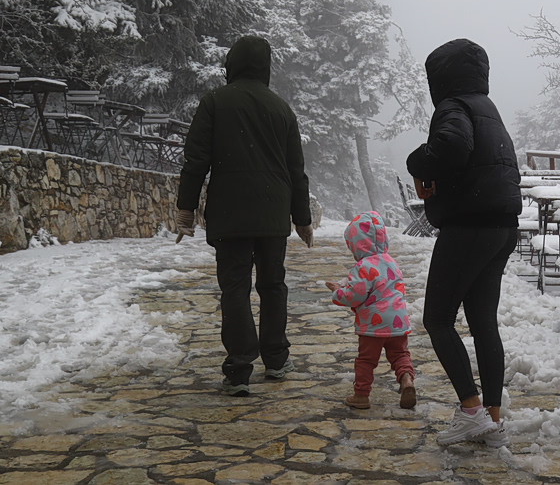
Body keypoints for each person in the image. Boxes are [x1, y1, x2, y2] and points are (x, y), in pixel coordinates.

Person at [175, 35, 314, 398]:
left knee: (234, 288)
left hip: (230, 213)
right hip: (272, 213)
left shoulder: (215, 103)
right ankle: (276, 358)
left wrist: (185, 209)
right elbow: (296, 169)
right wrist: (302, 217)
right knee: (272, 285)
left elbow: (196, 161)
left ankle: (239, 369)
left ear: (232, 64)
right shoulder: (281, 108)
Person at [406, 38, 522, 447]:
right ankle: (492, 420)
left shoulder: (453, 106)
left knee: (437, 319)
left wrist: (416, 162)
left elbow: (453, 146)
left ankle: (471, 412)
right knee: (482, 321)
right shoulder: (488, 109)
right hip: (502, 225)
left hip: (471, 225)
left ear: (441, 77)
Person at [325, 211, 416, 410]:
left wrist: (337, 292)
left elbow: (354, 295)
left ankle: (361, 395)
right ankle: (407, 380)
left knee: (366, 360)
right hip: (398, 321)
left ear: (357, 244)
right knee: (400, 355)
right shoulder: (391, 262)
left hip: (374, 324)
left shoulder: (363, 266)